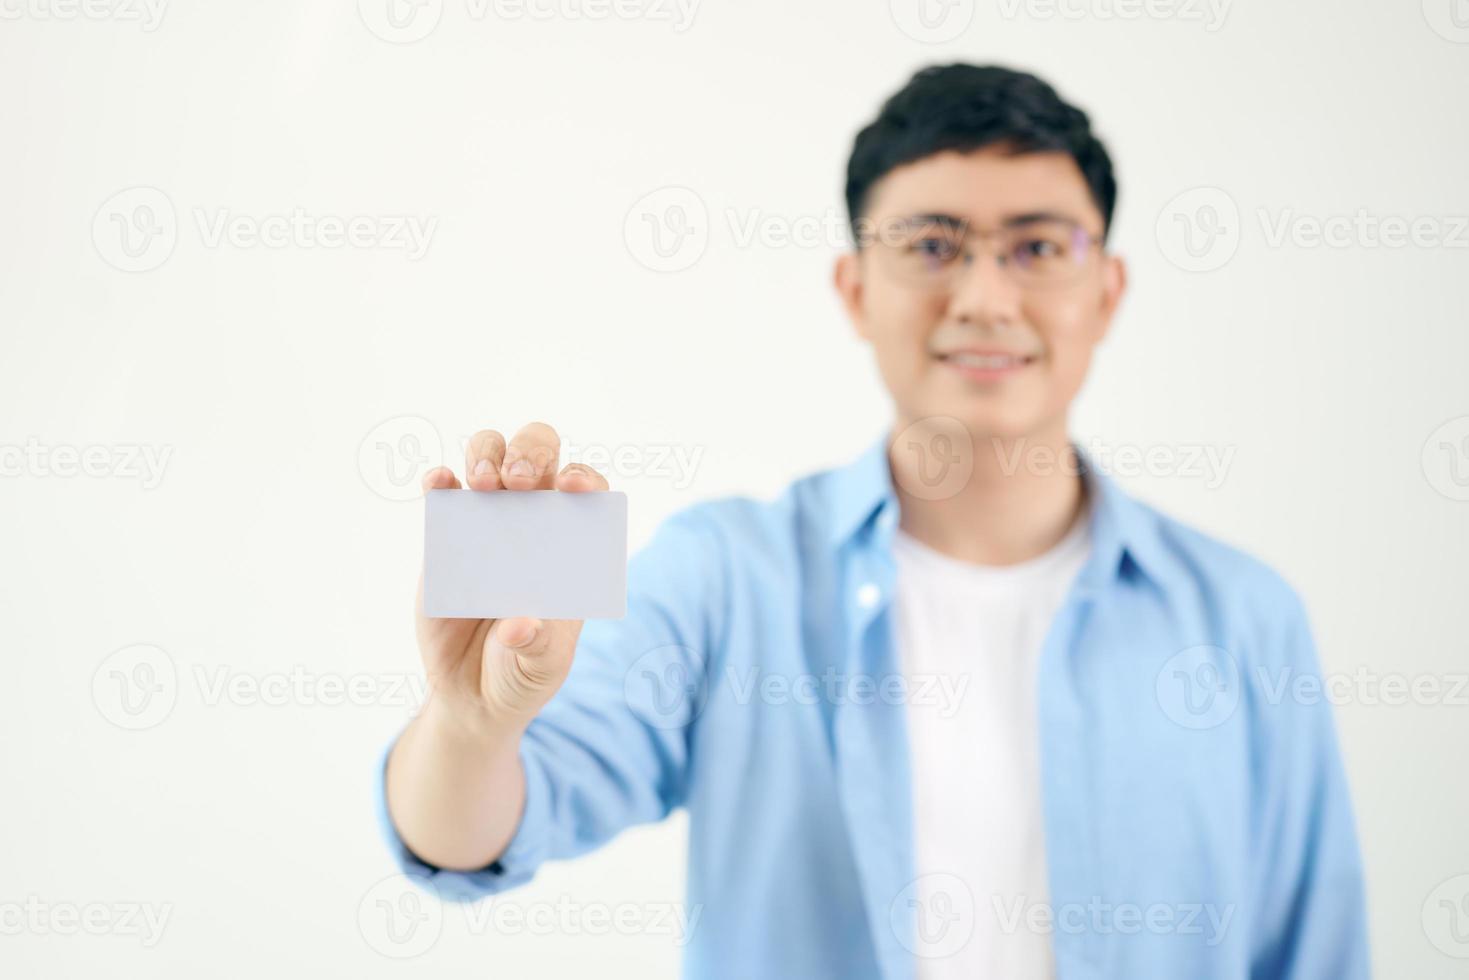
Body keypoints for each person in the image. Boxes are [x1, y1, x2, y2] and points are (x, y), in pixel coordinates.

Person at [377, 63, 1370, 979]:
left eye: (1035, 247)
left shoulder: (1242, 617)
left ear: (1104, 291)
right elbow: (478, 831)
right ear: (854, 289)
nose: (983, 298)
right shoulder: (726, 575)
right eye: (931, 245)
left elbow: (1314, 951)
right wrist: (470, 728)